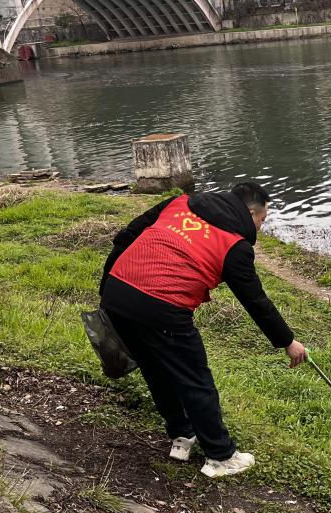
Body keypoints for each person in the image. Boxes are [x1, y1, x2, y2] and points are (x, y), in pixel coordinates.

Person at [99, 183, 307, 478]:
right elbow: (255, 300)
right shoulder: (234, 244)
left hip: (118, 294)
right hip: (162, 305)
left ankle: (182, 436)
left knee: (156, 370)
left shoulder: (180, 203)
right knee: (195, 380)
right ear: (250, 213)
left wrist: (107, 288)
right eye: (263, 220)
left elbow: (127, 236)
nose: (261, 227)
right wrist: (288, 342)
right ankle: (220, 456)